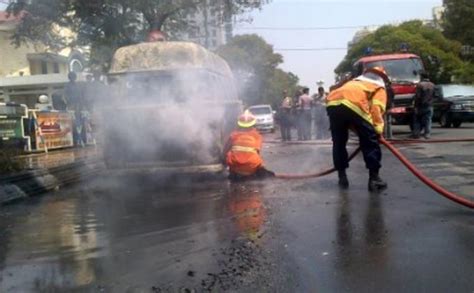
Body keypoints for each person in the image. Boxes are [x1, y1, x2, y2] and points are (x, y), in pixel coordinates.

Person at [326, 67, 389, 192]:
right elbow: (376, 109)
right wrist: (378, 130)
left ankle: (342, 178)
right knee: (370, 142)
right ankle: (374, 179)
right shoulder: (378, 87)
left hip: (332, 104)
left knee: (339, 142)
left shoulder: (354, 83)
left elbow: (348, 114)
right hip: (354, 105)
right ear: (383, 79)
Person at [224, 110, 275, 181]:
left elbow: (225, 150)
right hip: (251, 168)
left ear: (239, 124)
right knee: (257, 158)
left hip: (235, 167)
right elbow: (257, 152)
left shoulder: (233, 135)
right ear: (253, 124)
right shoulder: (257, 136)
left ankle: (232, 175)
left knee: (229, 155)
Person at [64, 72, 86, 146]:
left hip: (78, 106)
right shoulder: (67, 85)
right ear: (69, 77)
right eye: (71, 77)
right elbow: (65, 96)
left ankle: (81, 139)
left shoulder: (78, 85)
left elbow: (81, 95)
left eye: (74, 76)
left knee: (79, 122)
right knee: (71, 122)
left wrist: (81, 105)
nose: (73, 78)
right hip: (71, 106)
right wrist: (69, 103)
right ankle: (74, 140)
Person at [411, 72, 435, 139]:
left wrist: (415, 106)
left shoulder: (420, 85)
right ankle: (427, 134)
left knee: (417, 120)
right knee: (428, 120)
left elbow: (418, 97)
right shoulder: (432, 85)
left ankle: (416, 134)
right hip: (429, 105)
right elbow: (435, 95)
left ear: (422, 77)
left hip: (420, 106)